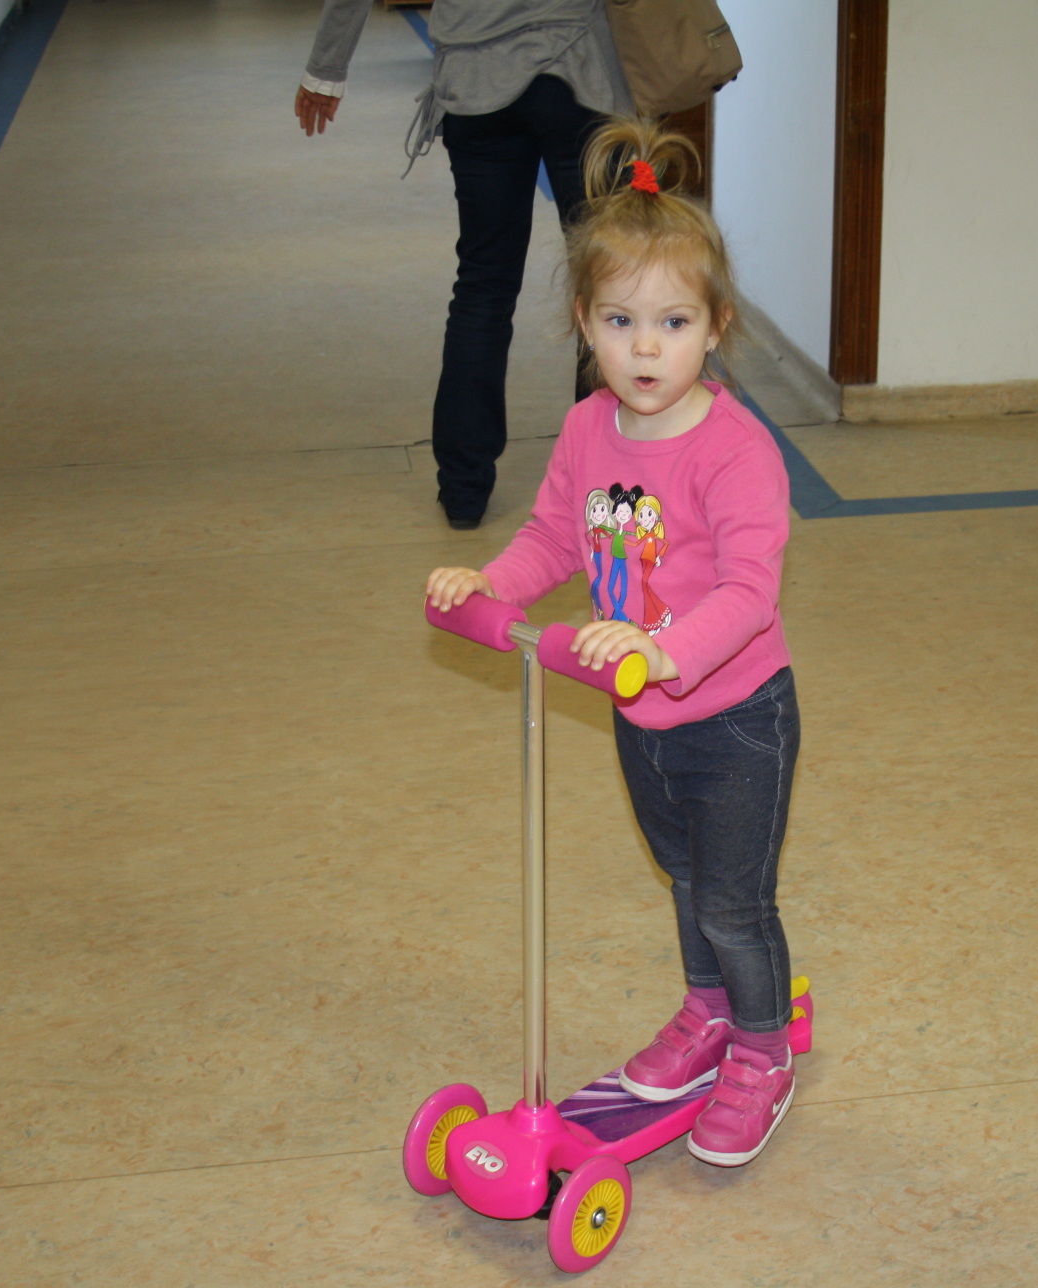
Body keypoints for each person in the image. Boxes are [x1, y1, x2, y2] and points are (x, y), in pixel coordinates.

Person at [424, 119, 800, 1168]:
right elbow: (556, 534)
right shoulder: (591, 428)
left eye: (672, 322)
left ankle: (762, 1048)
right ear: (584, 324)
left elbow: (750, 592)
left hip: (736, 719)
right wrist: (489, 585)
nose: (644, 348)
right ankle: (707, 1010)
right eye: (621, 321)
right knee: (683, 878)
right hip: (641, 711)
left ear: (715, 327)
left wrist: (671, 650)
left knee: (732, 900)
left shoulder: (735, 453)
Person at [295, 0, 633, 529]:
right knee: (607, 291)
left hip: (476, 81)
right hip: (578, 73)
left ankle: (463, 490)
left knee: (483, 288)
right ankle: (605, 484)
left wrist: (326, 67)